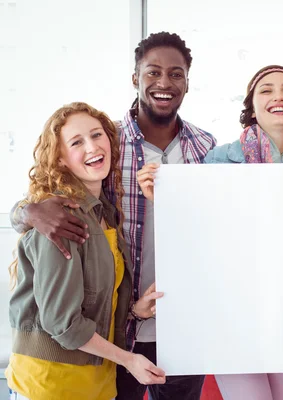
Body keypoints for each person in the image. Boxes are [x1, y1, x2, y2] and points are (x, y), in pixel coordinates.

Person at [9, 32, 216, 400]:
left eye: (176, 74)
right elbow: (43, 202)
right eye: (153, 72)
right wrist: (28, 211)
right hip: (115, 337)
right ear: (135, 78)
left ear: (187, 80)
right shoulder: (106, 143)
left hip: (184, 323)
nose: (164, 83)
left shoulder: (205, 146)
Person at [137, 65, 283, 400]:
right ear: (252, 106)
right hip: (232, 312)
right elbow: (198, 229)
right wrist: (165, 197)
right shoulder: (218, 160)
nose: (278, 96)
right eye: (266, 90)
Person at [5, 102, 165, 400]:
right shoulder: (61, 219)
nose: (92, 146)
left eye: (97, 135)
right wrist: (129, 359)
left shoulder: (104, 212)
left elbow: (94, 303)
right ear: (61, 159)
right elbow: (62, 323)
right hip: (51, 384)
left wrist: (134, 310)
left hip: (96, 382)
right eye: (77, 142)